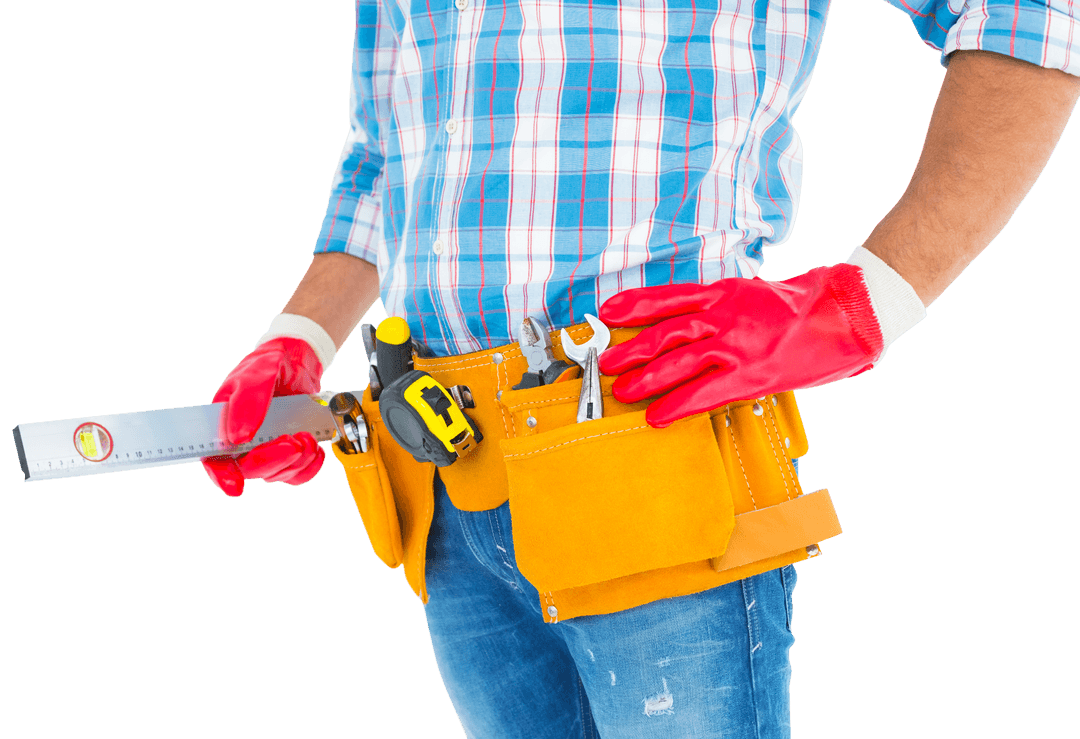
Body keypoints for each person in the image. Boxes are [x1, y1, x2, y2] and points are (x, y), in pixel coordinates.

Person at [201, 1, 1079, 736]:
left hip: (654, 449)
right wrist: (299, 337)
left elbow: (1032, 17)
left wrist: (868, 302)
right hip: (447, 487)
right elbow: (384, 155)